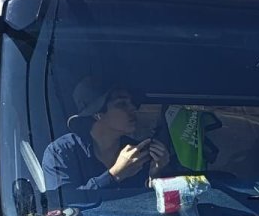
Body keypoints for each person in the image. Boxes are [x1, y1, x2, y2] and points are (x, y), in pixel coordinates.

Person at [42, 78, 170, 203]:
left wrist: (154, 175)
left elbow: (145, 203)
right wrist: (114, 175)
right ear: (98, 114)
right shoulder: (61, 152)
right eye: (122, 104)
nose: (133, 108)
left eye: (131, 103)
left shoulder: (138, 151)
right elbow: (62, 203)